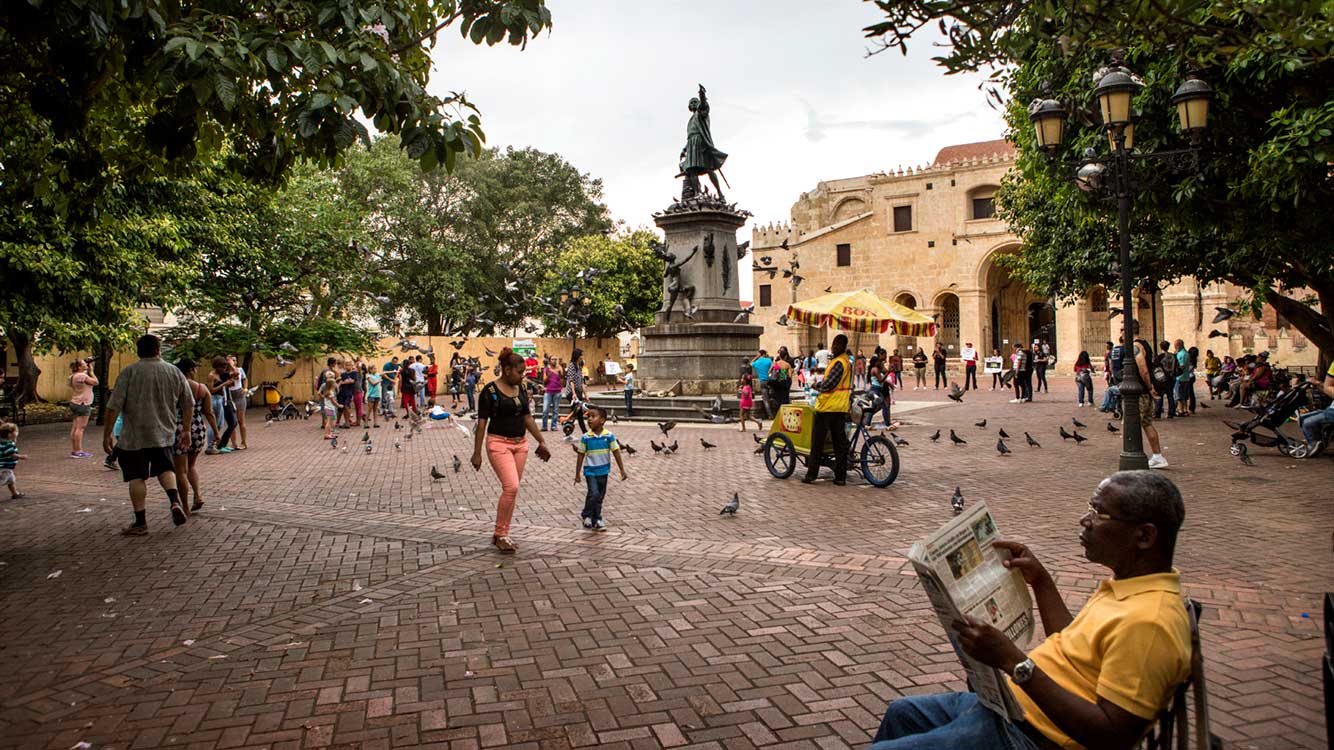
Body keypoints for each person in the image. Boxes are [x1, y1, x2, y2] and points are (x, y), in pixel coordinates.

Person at [867, 471, 1190, 750]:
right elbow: (1072, 646)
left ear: (1144, 536)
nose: (1085, 520)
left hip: (1029, 737)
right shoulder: (1130, 585)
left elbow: (1111, 736)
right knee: (902, 712)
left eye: (1099, 513)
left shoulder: (1149, 622)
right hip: (1012, 710)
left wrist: (1013, 661)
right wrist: (1041, 582)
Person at [103, 334, 194, 535]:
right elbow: (188, 403)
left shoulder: (129, 372)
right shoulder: (174, 372)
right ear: (158, 349)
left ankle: (140, 522)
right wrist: (186, 429)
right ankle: (174, 501)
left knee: (136, 476)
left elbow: (113, 406)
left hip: (133, 436)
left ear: (138, 351)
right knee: (165, 469)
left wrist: (107, 433)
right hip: (163, 433)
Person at [470, 348, 552, 554]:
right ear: (506, 370)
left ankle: (502, 533)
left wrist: (541, 442)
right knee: (512, 487)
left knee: (512, 491)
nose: (523, 374)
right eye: (519, 371)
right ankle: (500, 534)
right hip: (498, 443)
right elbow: (482, 424)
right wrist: (477, 453)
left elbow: (527, 418)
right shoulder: (489, 392)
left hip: (520, 444)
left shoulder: (522, 388)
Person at [801, 334, 852, 486]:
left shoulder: (839, 363)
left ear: (842, 347)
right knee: (839, 443)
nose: (833, 347)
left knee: (817, 442)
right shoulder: (842, 361)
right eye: (833, 344)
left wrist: (816, 385)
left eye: (837, 345)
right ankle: (840, 477)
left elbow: (829, 384)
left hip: (828, 407)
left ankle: (811, 475)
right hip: (839, 406)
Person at [172, 358, 220, 513]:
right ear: (191, 370)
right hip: (198, 428)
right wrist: (216, 432)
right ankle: (198, 495)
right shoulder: (201, 388)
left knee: (180, 470)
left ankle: (185, 507)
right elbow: (209, 413)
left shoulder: (173, 388)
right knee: (191, 465)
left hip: (178, 429)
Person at [574, 404, 627, 532]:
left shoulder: (609, 436)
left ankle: (588, 514)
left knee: (599, 495)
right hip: (590, 471)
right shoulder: (585, 437)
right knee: (594, 493)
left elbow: (616, 452)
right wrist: (577, 474)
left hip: (603, 471)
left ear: (602, 420)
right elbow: (580, 455)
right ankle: (596, 518)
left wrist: (622, 470)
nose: (589, 419)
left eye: (593, 416)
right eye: (588, 417)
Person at [1126, 321, 1169, 468]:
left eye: (1121, 330)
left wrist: (1149, 387)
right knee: (1147, 423)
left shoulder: (1136, 346)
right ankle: (1158, 456)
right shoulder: (1145, 344)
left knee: (1133, 424)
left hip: (1139, 393)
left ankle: (1133, 454)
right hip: (1144, 392)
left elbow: (1143, 369)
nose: (1120, 333)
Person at [206, 357, 238, 452]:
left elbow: (236, 373)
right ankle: (210, 446)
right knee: (215, 425)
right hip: (214, 399)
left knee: (219, 424)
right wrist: (224, 384)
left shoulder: (220, 374)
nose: (224, 369)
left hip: (221, 399)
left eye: (225, 367)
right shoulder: (212, 375)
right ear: (217, 366)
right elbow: (210, 390)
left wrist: (231, 365)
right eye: (222, 367)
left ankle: (213, 445)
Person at [68, 358, 98, 458]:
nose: (86, 364)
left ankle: (74, 450)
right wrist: (92, 372)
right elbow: (95, 382)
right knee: (80, 428)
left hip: (75, 402)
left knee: (75, 427)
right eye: (84, 363)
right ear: (79, 367)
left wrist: (88, 364)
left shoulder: (74, 376)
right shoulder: (82, 376)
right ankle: (79, 451)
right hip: (83, 403)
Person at [227, 354, 250, 450]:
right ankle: (234, 443)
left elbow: (244, 379)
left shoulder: (239, 370)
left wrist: (245, 388)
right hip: (230, 396)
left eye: (234, 360)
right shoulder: (225, 372)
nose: (233, 361)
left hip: (239, 396)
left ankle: (244, 442)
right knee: (232, 422)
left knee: (241, 421)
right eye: (230, 360)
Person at [0, 422, 28, 499]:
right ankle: (15, 493)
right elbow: (11, 454)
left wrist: (14, 438)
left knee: (11, 481)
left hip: (7, 467)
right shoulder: (8, 444)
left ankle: (15, 493)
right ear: (9, 434)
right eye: (15, 431)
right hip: (5, 468)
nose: (17, 433)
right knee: (2, 480)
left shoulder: (5, 442)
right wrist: (21, 456)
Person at [565, 349, 588, 434]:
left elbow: (582, 381)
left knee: (577, 413)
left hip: (578, 392)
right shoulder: (572, 365)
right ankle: (583, 432)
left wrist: (586, 394)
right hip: (571, 392)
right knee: (578, 412)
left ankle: (567, 428)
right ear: (577, 356)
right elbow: (571, 380)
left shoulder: (580, 365)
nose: (582, 357)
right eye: (581, 355)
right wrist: (574, 394)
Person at [540, 359, 563, 430]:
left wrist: (560, 369)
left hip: (557, 391)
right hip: (548, 391)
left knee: (555, 410)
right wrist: (548, 375)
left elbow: (562, 378)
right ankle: (544, 426)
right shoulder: (546, 369)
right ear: (550, 360)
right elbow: (544, 380)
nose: (554, 360)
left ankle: (554, 426)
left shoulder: (559, 368)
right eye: (553, 359)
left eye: (555, 359)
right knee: (545, 410)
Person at [1174, 342, 1195, 416]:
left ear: (1178, 345)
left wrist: (1175, 370)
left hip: (1180, 377)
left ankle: (1181, 410)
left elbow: (1181, 366)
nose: (1175, 347)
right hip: (1186, 377)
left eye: (1175, 346)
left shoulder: (1181, 354)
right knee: (1185, 396)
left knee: (1179, 395)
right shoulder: (1186, 353)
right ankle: (1185, 409)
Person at [751, 349, 773, 418]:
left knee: (765, 399)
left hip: (763, 381)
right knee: (772, 397)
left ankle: (770, 415)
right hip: (770, 380)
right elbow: (773, 366)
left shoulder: (757, 362)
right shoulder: (768, 360)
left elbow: (751, 363)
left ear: (760, 354)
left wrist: (756, 357)